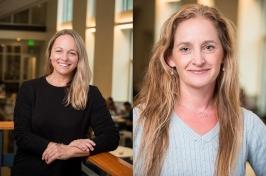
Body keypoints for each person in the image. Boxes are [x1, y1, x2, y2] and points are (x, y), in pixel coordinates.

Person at [134, 4, 266, 176]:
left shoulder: (248, 124)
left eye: (209, 47)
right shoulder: (141, 119)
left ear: (224, 55)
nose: (198, 60)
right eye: (185, 49)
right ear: (170, 58)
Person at [12, 29, 119, 176]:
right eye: (59, 51)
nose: (64, 58)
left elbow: (111, 137)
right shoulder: (30, 88)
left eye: (72, 53)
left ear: (79, 58)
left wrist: (70, 151)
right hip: (28, 170)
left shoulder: (90, 93)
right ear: (50, 54)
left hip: (67, 172)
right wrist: (56, 147)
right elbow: (22, 134)